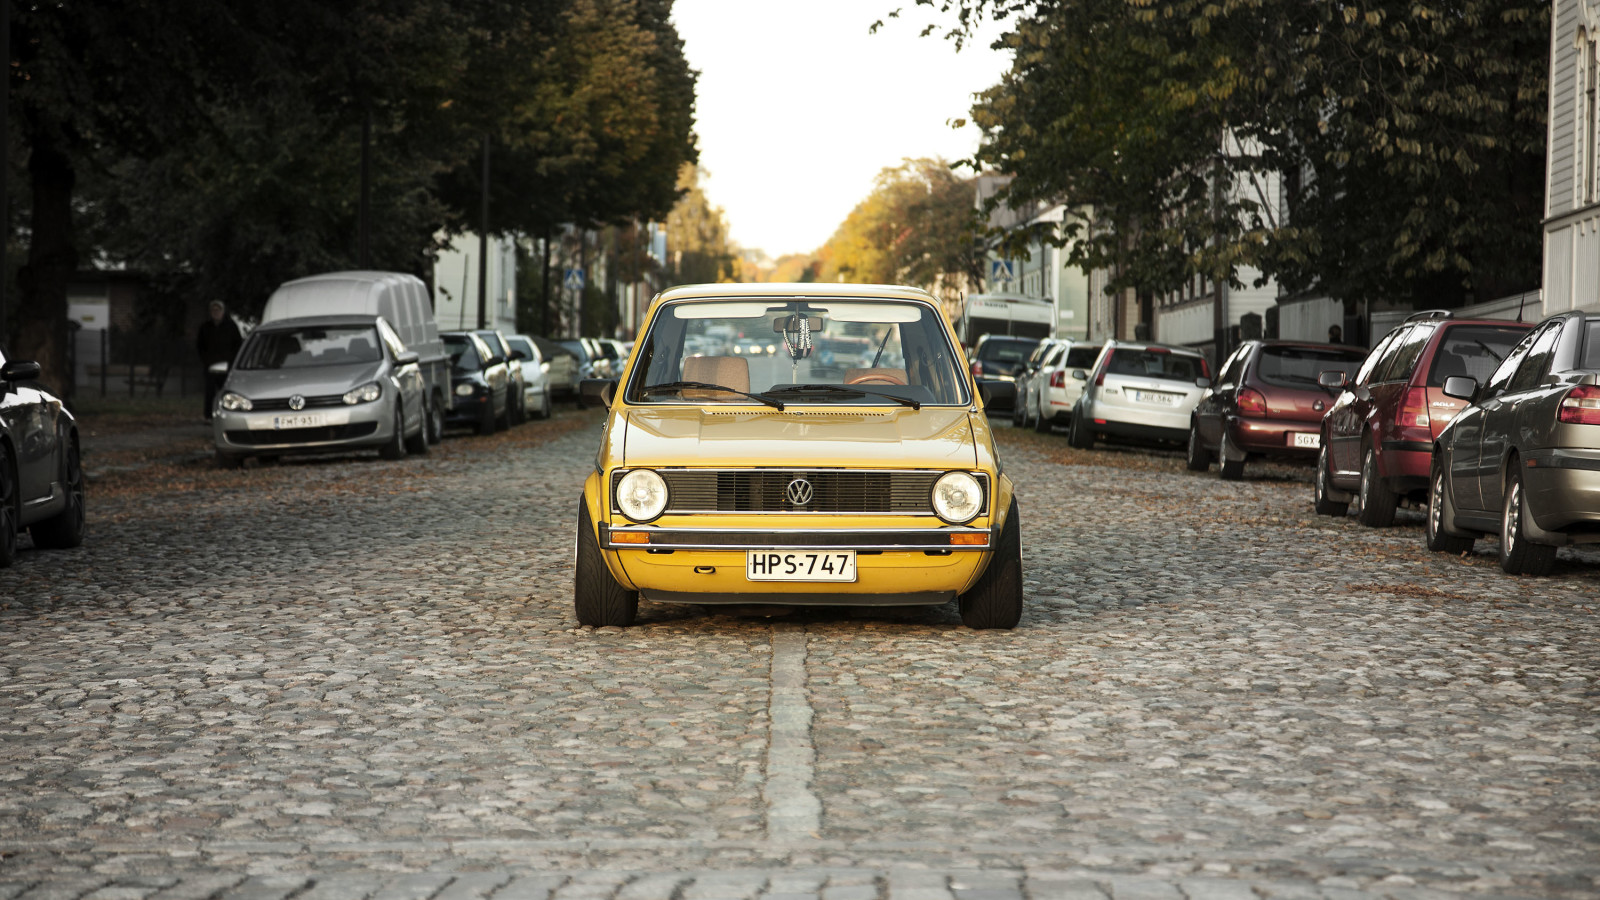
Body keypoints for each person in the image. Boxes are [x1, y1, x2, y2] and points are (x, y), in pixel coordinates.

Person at [197, 300, 243, 420]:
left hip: (227, 365)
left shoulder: (231, 327)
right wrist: (206, 360)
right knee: (210, 392)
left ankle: (227, 415)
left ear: (223, 312)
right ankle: (208, 415)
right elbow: (200, 346)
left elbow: (237, 345)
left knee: (226, 391)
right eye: (213, 310)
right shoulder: (205, 327)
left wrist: (231, 361)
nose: (216, 313)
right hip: (210, 365)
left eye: (218, 310)